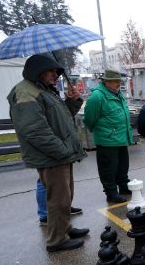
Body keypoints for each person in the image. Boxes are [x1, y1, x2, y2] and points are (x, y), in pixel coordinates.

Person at [7, 54, 89, 252]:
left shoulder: (44, 90)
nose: (55, 75)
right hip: (51, 156)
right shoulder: (26, 92)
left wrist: (73, 101)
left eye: (56, 71)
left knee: (65, 197)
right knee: (58, 198)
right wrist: (62, 150)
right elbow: (34, 130)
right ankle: (57, 240)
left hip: (60, 153)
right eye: (51, 71)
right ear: (37, 71)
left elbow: (61, 119)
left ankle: (64, 229)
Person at [84, 69, 134, 203]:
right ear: (106, 82)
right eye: (115, 81)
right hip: (107, 141)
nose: (119, 83)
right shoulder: (97, 97)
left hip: (121, 138)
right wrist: (104, 132)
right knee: (109, 169)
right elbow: (89, 119)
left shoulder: (118, 94)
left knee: (122, 166)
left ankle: (123, 187)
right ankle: (111, 193)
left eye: (119, 81)